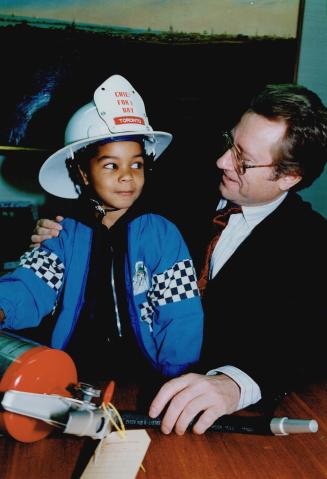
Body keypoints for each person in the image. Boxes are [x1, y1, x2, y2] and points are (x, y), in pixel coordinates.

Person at [30, 83, 327, 435]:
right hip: (116, 391)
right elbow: (100, 212)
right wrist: (57, 234)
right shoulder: (173, 184)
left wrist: (236, 383)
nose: (222, 161)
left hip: (216, 426)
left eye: (242, 160)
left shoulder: (314, 245)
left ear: (289, 177)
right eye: (229, 142)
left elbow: (310, 341)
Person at [0, 74, 204, 386]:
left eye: (136, 165)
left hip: (143, 376)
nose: (127, 177)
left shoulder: (162, 234)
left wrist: (177, 376)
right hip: (71, 372)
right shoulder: (63, 233)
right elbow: (31, 285)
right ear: (82, 172)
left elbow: (180, 314)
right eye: (111, 165)